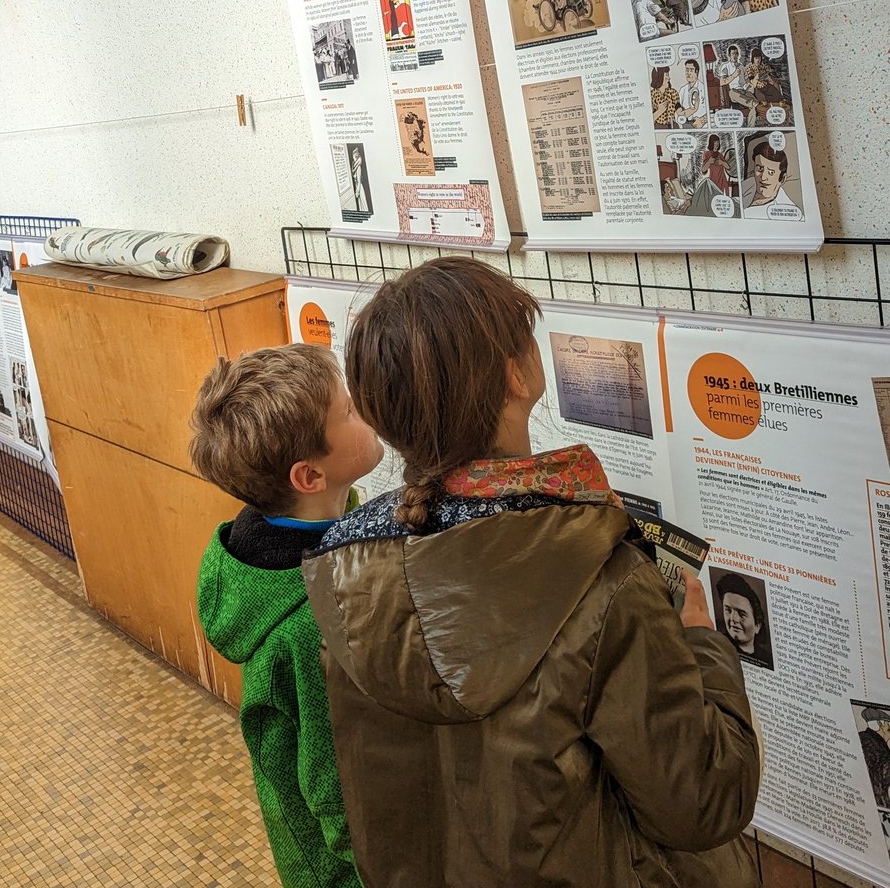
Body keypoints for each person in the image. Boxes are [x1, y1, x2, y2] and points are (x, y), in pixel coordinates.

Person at [303, 257, 761, 888]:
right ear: (516, 376)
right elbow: (706, 801)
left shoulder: (343, 568)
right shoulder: (604, 581)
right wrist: (702, 642)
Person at [192, 345, 383, 888]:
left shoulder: (289, 533)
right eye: (347, 410)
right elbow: (336, 791)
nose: (363, 409)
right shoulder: (306, 628)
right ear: (309, 476)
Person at [714, 573, 773, 668]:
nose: (733, 619)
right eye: (728, 610)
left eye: (741, 614)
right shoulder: (715, 646)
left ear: (757, 625)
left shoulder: (768, 660)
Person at [742, 139, 799, 217]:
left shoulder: (788, 212)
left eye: (771, 172)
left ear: (782, 179)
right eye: (760, 169)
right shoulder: (751, 182)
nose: (763, 177)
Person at [676, 57, 708, 127]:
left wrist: (702, 120)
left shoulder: (704, 88)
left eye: (691, 70)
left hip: (701, 125)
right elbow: (680, 112)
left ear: (696, 72)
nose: (688, 73)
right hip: (686, 124)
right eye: (687, 70)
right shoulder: (682, 90)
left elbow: (712, 111)